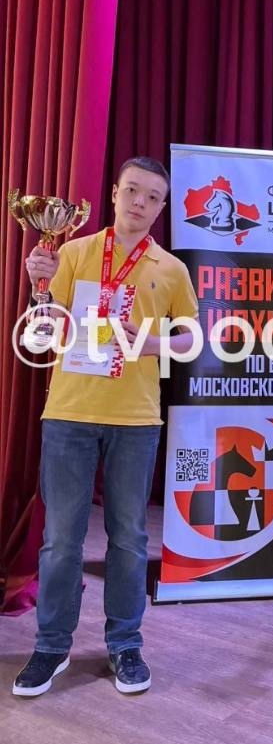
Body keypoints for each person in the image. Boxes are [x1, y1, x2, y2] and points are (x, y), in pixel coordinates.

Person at [13, 157, 199, 696]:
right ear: (114, 193)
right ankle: (51, 646)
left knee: (129, 539)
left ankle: (125, 644)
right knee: (60, 540)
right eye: (132, 190)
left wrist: (152, 341)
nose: (140, 202)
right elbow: (47, 328)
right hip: (69, 412)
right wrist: (40, 286)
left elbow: (192, 340)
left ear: (163, 208)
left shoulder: (171, 269)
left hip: (135, 419)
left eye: (153, 197)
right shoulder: (74, 251)